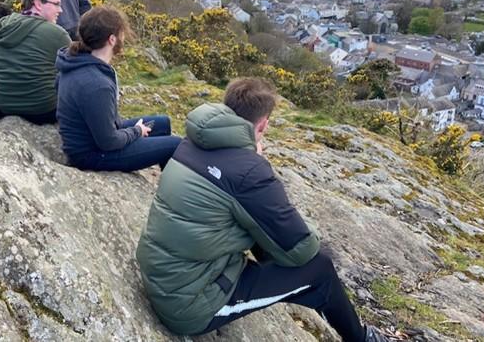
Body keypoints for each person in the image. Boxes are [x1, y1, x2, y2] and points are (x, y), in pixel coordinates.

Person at [136, 78, 389, 342]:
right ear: (263, 124)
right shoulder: (249, 171)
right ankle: (361, 338)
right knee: (321, 267)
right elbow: (302, 248)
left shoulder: (191, 141)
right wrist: (256, 164)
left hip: (161, 276)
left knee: (263, 234)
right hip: (190, 308)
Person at [55, 5, 180, 172]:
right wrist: (136, 131)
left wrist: (130, 130)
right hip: (92, 154)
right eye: (122, 33)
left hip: (93, 138)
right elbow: (109, 142)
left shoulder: (75, 62)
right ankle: (169, 195)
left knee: (163, 123)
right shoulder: (97, 84)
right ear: (112, 39)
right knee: (175, 144)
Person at [0, 0, 71, 124]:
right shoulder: (57, 34)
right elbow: (75, 72)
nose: (60, 10)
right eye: (56, 4)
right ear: (38, 4)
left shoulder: (2, 24)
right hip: (41, 110)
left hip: (0, 105)